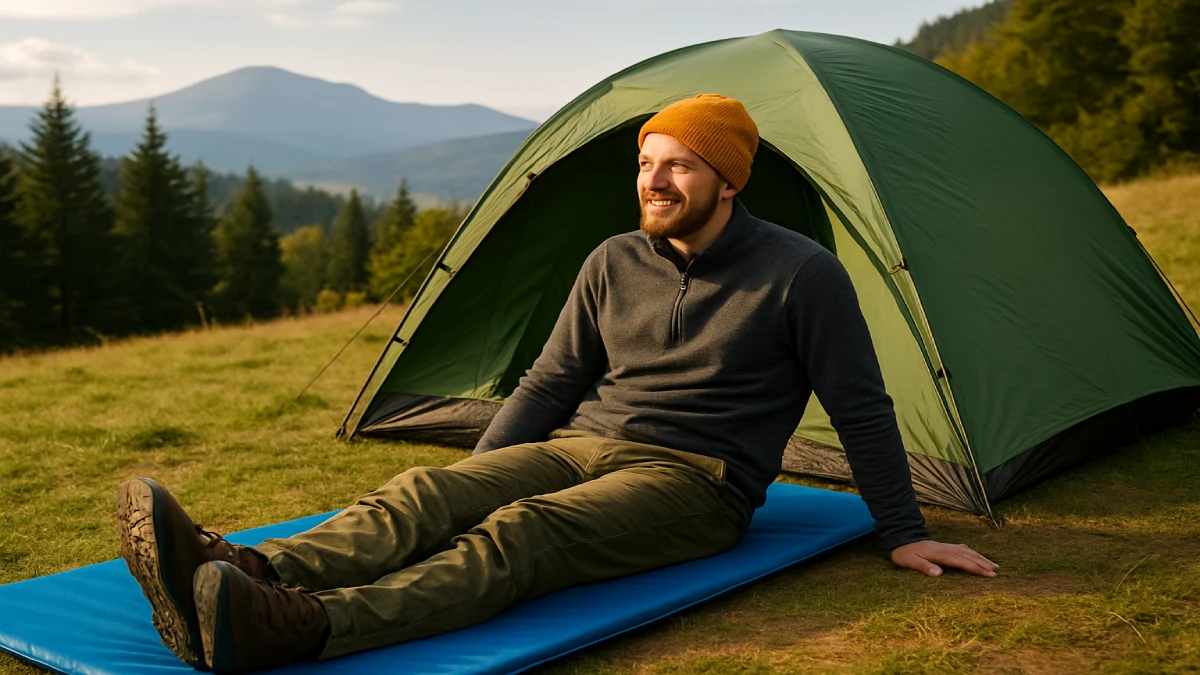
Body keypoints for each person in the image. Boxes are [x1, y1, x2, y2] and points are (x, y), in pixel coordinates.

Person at [114, 93, 998, 673]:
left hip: (695, 480)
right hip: (579, 443)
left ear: (726, 179)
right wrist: (467, 480)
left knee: (522, 534)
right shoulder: (614, 259)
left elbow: (861, 406)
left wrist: (901, 532)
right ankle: (240, 567)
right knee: (427, 491)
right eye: (647, 163)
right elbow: (550, 379)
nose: (653, 180)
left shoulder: (802, 274)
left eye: (678, 165)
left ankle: (296, 623)